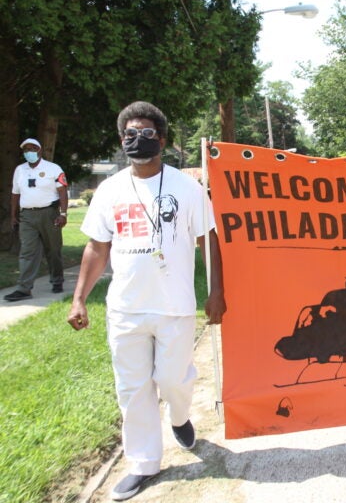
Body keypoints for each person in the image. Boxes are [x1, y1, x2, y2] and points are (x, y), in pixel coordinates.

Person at [67, 101, 226, 501]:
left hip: (174, 306)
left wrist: (216, 292)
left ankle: (180, 415)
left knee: (173, 380)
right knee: (133, 389)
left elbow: (211, 240)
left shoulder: (187, 188)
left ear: (163, 140)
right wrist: (79, 299)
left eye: (147, 133)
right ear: (122, 141)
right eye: (130, 134)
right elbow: (97, 247)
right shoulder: (109, 189)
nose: (138, 140)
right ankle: (143, 463)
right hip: (125, 308)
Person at [4, 138, 68, 302]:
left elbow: (62, 191)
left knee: (53, 250)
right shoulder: (20, 170)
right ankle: (24, 288)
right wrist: (13, 215)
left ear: (39, 150)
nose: (28, 152)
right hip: (27, 216)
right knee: (27, 252)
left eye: (32, 149)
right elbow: (15, 194)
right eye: (25, 150)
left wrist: (63, 214)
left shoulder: (53, 168)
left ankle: (57, 281)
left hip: (49, 213)